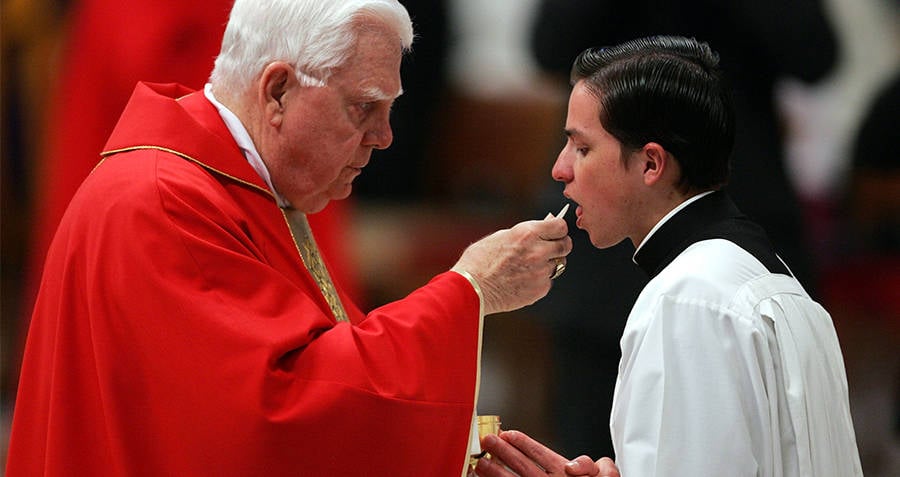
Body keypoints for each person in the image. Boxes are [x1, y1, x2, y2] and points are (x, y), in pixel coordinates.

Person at [4, 1, 572, 475]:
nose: (385, 137)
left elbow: (318, 375)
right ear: (276, 91)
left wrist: (466, 447)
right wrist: (468, 289)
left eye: (390, 110)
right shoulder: (163, 204)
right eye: (364, 108)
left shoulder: (238, 188)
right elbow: (273, 420)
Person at [476, 36, 862, 477]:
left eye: (582, 148)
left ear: (651, 164)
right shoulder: (768, 275)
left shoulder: (687, 297)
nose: (559, 169)